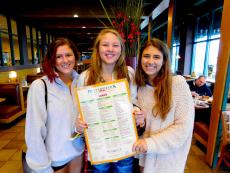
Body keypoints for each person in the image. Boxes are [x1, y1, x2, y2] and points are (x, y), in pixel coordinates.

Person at [76, 28, 140, 173]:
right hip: (99, 145)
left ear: (121, 50)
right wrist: (78, 124)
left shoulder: (129, 73)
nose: (110, 49)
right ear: (98, 48)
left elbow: (133, 102)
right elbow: (81, 111)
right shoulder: (85, 77)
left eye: (115, 45)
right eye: (105, 45)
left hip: (125, 143)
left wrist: (137, 113)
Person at [132, 38, 195, 173]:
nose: (150, 61)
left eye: (156, 57)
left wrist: (149, 143)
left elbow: (183, 128)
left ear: (164, 61)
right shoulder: (141, 87)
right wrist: (139, 122)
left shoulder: (177, 84)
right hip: (145, 157)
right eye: (146, 56)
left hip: (168, 160)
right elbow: (146, 125)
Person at [25, 38, 84, 173]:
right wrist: (43, 168)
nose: (65, 60)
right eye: (59, 56)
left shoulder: (81, 82)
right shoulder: (40, 86)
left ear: (75, 56)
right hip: (54, 160)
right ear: (52, 59)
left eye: (68, 55)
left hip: (77, 154)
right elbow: (34, 133)